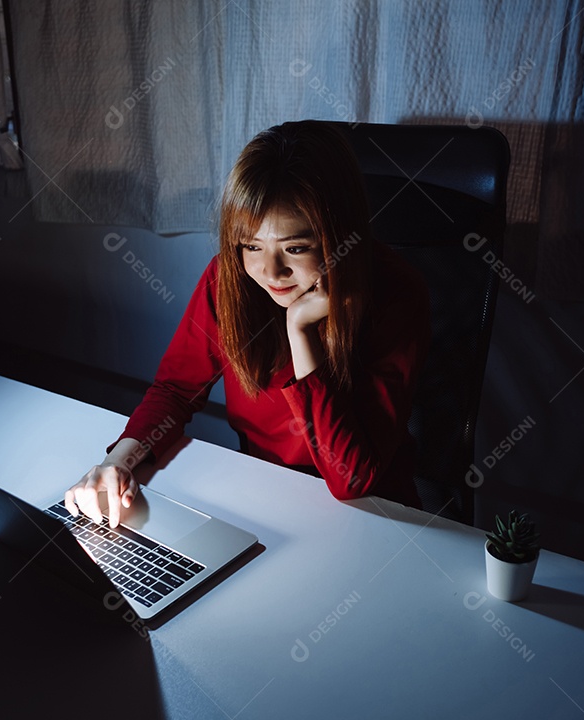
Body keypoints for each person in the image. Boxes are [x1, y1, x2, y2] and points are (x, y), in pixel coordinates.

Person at [65, 120, 430, 527]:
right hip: (266, 497)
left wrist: (301, 332)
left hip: (375, 516)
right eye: (252, 246)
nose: (270, 271)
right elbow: (176, 390)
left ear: (340, 236)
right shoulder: (229, 279)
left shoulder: (397, 293)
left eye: (295, 248)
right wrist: (118, 461)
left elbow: (351, 480)